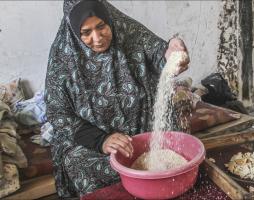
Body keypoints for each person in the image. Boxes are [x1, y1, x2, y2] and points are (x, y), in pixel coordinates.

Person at [44, 0, 189, 197]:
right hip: (96, 142)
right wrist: (101, 140)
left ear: (108, 19)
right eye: (86, 32)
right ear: (74, 31)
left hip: (142, 128)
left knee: (170, 152)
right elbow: (58, 113)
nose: (97, 38)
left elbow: (158, 52)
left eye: (101, 26)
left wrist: (172, 53)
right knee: (77, 163)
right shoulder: (63, 59)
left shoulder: (128, 31)